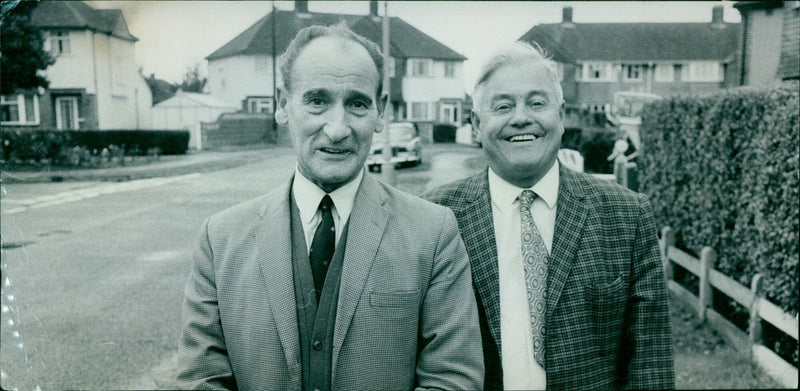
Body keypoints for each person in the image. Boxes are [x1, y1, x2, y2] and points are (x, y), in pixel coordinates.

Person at [177, 24, 484, 390]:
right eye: (317, 100)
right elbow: (201, 379)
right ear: (282, 105)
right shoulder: (221, 238)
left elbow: (452, 378)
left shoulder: (433, 233)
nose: (337, 129)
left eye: (356, 103)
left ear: (380, 111)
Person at [424, 41, 674, 390]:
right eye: (503, 106)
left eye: (537, 102)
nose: (521, 117)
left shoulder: (627, 215)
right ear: (477, 125)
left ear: (560, 115)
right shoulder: (434, 217)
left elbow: (651, 365)